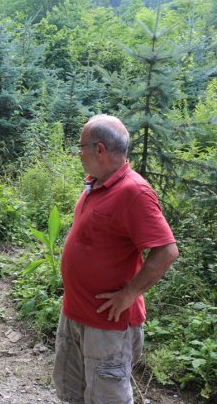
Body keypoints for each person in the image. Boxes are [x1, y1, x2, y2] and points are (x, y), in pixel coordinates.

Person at [53, 114, 179, 404]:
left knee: (107, 398)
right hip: (74, 313)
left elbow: (166, 250)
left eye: (81, 146)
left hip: (107, 326)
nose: (79, 153)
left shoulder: (133, 191)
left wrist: (129, 294)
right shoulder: (96, 183)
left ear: (100, 150)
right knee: (72, 392)